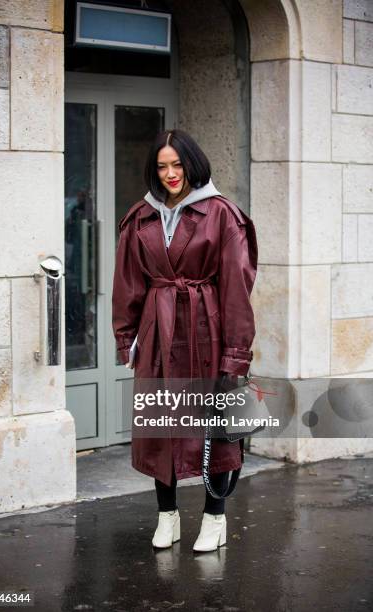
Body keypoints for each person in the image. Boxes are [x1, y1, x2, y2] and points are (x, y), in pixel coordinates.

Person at [112, 129, 257, 552]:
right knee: (162, 427)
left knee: (217, 427)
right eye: (162, 165)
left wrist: (235, 355)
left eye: (177, 164)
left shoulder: (222, 213)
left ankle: (214, 518)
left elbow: (236, 287)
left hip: (207, 329)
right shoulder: (140, 215)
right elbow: (127, 284)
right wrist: (127, 339)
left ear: (192, 163)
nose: (170, 173)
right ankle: (167, 516)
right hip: (157, 334)